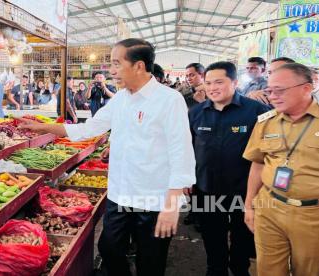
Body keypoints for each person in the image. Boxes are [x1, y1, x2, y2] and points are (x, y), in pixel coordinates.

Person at [17, 38, 196, 276]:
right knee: (109, 248)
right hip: (120, 194)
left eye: (116, 64)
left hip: (153, 199)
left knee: (151, 262)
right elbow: (87, 128)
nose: (110, 71)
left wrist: (172, 205)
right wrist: (44, 128)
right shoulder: (121, 99)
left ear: (139, 66)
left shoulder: (169, 100)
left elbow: (181, 151)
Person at [189, 61, 270, 276]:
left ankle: (239, 269)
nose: (212, 88)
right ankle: (215, 270)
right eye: (208, 83)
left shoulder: (257, 111)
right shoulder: (196, 113)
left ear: (234, 82)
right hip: (206, 190)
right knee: (212, 241)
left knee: (242, 243)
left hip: (244, 192)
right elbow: (186, 149)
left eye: (219, 82)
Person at [243, 63, 319, 276]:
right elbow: (257, 163)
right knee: (268, 269)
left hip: (312, 215)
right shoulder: (267, 122)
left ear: (307, 87)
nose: (273, 96)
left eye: (280, 90)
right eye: (269, 90)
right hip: (269, 208)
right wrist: (249, 205)